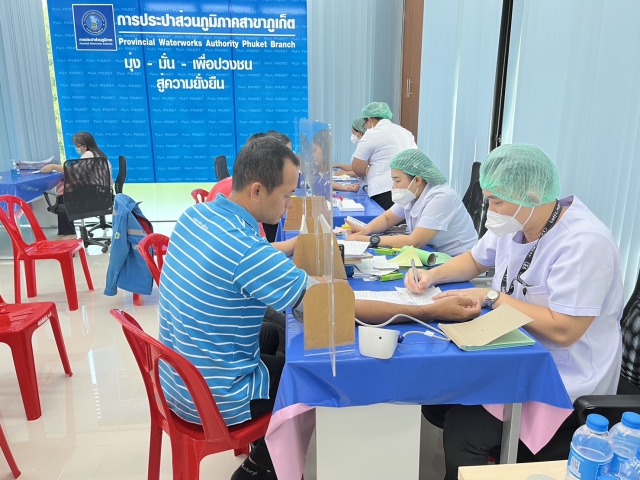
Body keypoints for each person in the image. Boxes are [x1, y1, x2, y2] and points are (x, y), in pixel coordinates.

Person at [158, 136, 481, 480]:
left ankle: (266, 449)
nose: (289, 204)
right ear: (257, 190)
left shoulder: (197, 215)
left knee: (275, 335)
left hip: (175, 378)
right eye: (286, 195)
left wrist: (299, 251)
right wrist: (430, 310)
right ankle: (258, 467)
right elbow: (335, 308)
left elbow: (254, 258)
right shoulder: (246, 252)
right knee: (312, 378)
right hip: (212, 396)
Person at [405, 144, 624, 480]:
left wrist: (492, 296)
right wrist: (430, 276)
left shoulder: (583, 243)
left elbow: (565, 331)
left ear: (532, 196)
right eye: (489, 200)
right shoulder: (518, 221)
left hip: (564, 377)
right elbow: (475, 260)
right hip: (516, 350)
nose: (490, 211)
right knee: (437, 396)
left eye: (496, 202)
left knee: (464, 429)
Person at [347, 149, 477, 256]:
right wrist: (364, 230)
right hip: (432, 253)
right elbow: (388, 218)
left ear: (417, 180)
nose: (394, 186)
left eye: (398, 181)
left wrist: (369, 240)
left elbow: (415, 242)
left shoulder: (441, 198)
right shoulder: (412, 194)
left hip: (458, 259)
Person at [41, 131, 113, 240]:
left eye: (77, 146)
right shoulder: (98, 153)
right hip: (104, 195)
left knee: (64, 195)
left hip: (96, 195)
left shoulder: (89, 154)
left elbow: (72, 171)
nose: (76, 148)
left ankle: (69, 233)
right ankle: (67, 231)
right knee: (67, 191)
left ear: (85, 146)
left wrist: (52, 166)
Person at [351, 102, 418, 210]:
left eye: (365, 124)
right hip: (408, 189)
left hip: (384, 190)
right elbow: (416, 157)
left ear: (370, 120)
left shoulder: (371, 134)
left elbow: (358, 169)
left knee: (386, 219)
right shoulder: (406, 132)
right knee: (403, 219)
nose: (366, 127)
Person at [310, 129, 360, 194]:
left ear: (324, 150)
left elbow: (325, 182)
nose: (312, 155)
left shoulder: (318, 169)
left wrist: (346, 188)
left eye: (314, 151)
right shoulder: (310, 170)